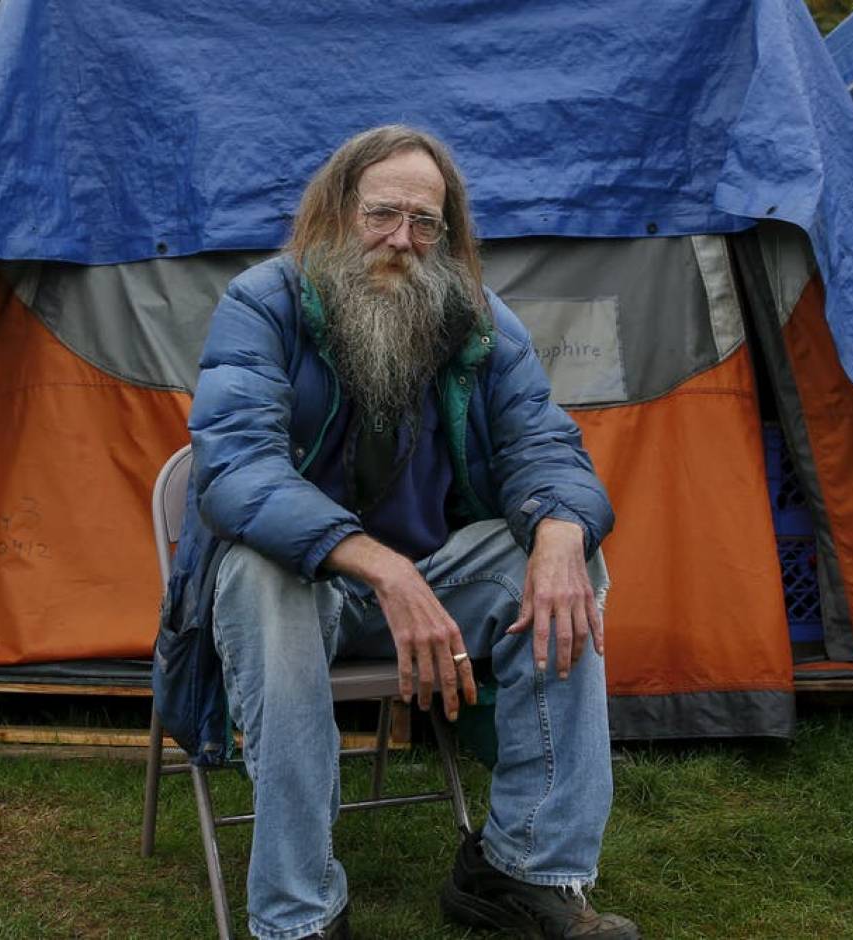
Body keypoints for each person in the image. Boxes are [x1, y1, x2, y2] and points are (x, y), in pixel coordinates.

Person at [155, 124, 637, 940]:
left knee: (567, 565)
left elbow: (545, 444)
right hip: (305, 590)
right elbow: (235, 471)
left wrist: (561, 532)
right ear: (338, 211)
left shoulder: (476, 319)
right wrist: (383, 567)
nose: (402, 240)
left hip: (431, 585)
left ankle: (523, 869)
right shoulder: (262, 303)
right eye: (382, 214)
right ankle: (300, 913)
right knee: (264, 577)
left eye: (425, 223)